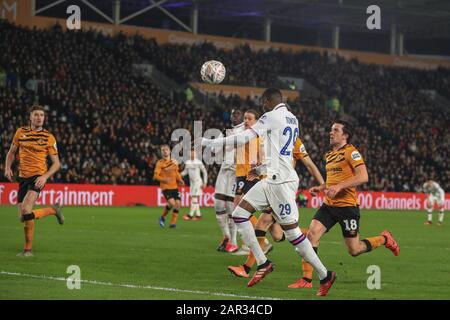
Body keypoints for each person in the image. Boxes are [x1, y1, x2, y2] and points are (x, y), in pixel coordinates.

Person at [202, 88, 336, 296]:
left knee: (292, 235)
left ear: (267, 101)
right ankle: (262, 264)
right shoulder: (293, 119)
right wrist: (261, 169)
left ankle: (325, 275)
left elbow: (244, 137)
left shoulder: (271, 116)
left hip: (281, 183)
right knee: (239, 214)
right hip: (272, 178)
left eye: (263, 103)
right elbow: (281, 152)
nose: (262, 107)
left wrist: (211, 143)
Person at [288, 120, 400, 289]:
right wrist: (321, 187)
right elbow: (333, 182)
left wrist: (339, 187)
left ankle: (384, 238)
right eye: (331, 130)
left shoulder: (351, 152)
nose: (331, 133)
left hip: (347, 208)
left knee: (354, 250)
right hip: (329, 206)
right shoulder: (329, 155)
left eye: (335, 130)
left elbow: (363, 176)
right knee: (312, 235)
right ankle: (307, 280)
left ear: (345, 135)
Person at [228, 137, 325, 282]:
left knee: (261, 224)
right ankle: (308, 234)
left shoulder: (293, 141)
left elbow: (309, 164)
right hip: (268, 186)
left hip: (281, 190)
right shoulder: (268, 138)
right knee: (277, 235)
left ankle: (247, 268)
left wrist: (323, 183)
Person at [4, 105, 64, 257]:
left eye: (42, 115)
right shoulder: (20, 132)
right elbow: (11, 152)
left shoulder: (48, 137)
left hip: (38, 178)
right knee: (22, 217)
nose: (39, 117)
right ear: (30, 117)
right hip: (22, 177)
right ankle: (52, 210)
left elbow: (57, 163)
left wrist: (44, 176)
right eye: (36, 115)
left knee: (26, 210)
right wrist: (7, 168)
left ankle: (28, 250)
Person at [213, 109, 245, 252]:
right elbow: (215, 151)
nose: (234, 116)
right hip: (224, 170)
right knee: (219, 205)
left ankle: (233, 242)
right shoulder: (226, 132)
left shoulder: (246, 131)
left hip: (236, 173)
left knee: (231, 208)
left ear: (243, 117)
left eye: (237, 114)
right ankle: (226, 236)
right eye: (232, 114)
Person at [154, 144, 185, 229]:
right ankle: (163, 217)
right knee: (172, 203)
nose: (165, 151)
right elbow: (156, 176)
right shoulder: (159, 163)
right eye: (163, 150)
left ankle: (172, 223)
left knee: (178, 204)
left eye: (166, 149)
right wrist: (164, 179)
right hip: (165, 187)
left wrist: (180, 179)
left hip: (174, 186)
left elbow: (176, 172)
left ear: (170, 151)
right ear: (161, 152)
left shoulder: (174, 162)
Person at [181, 148, 208, 220]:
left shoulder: (198, 162)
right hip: (192, 183)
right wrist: (179, 175)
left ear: (196, 154)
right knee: (194, 198)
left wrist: (205, 182)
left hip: (197, 182)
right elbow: (185, 172)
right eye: (191, 153)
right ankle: (198, 215)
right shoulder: (187, 162)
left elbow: (204, 172)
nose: (192, 154)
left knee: (194, 197)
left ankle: (190, 215)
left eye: (193, 153)